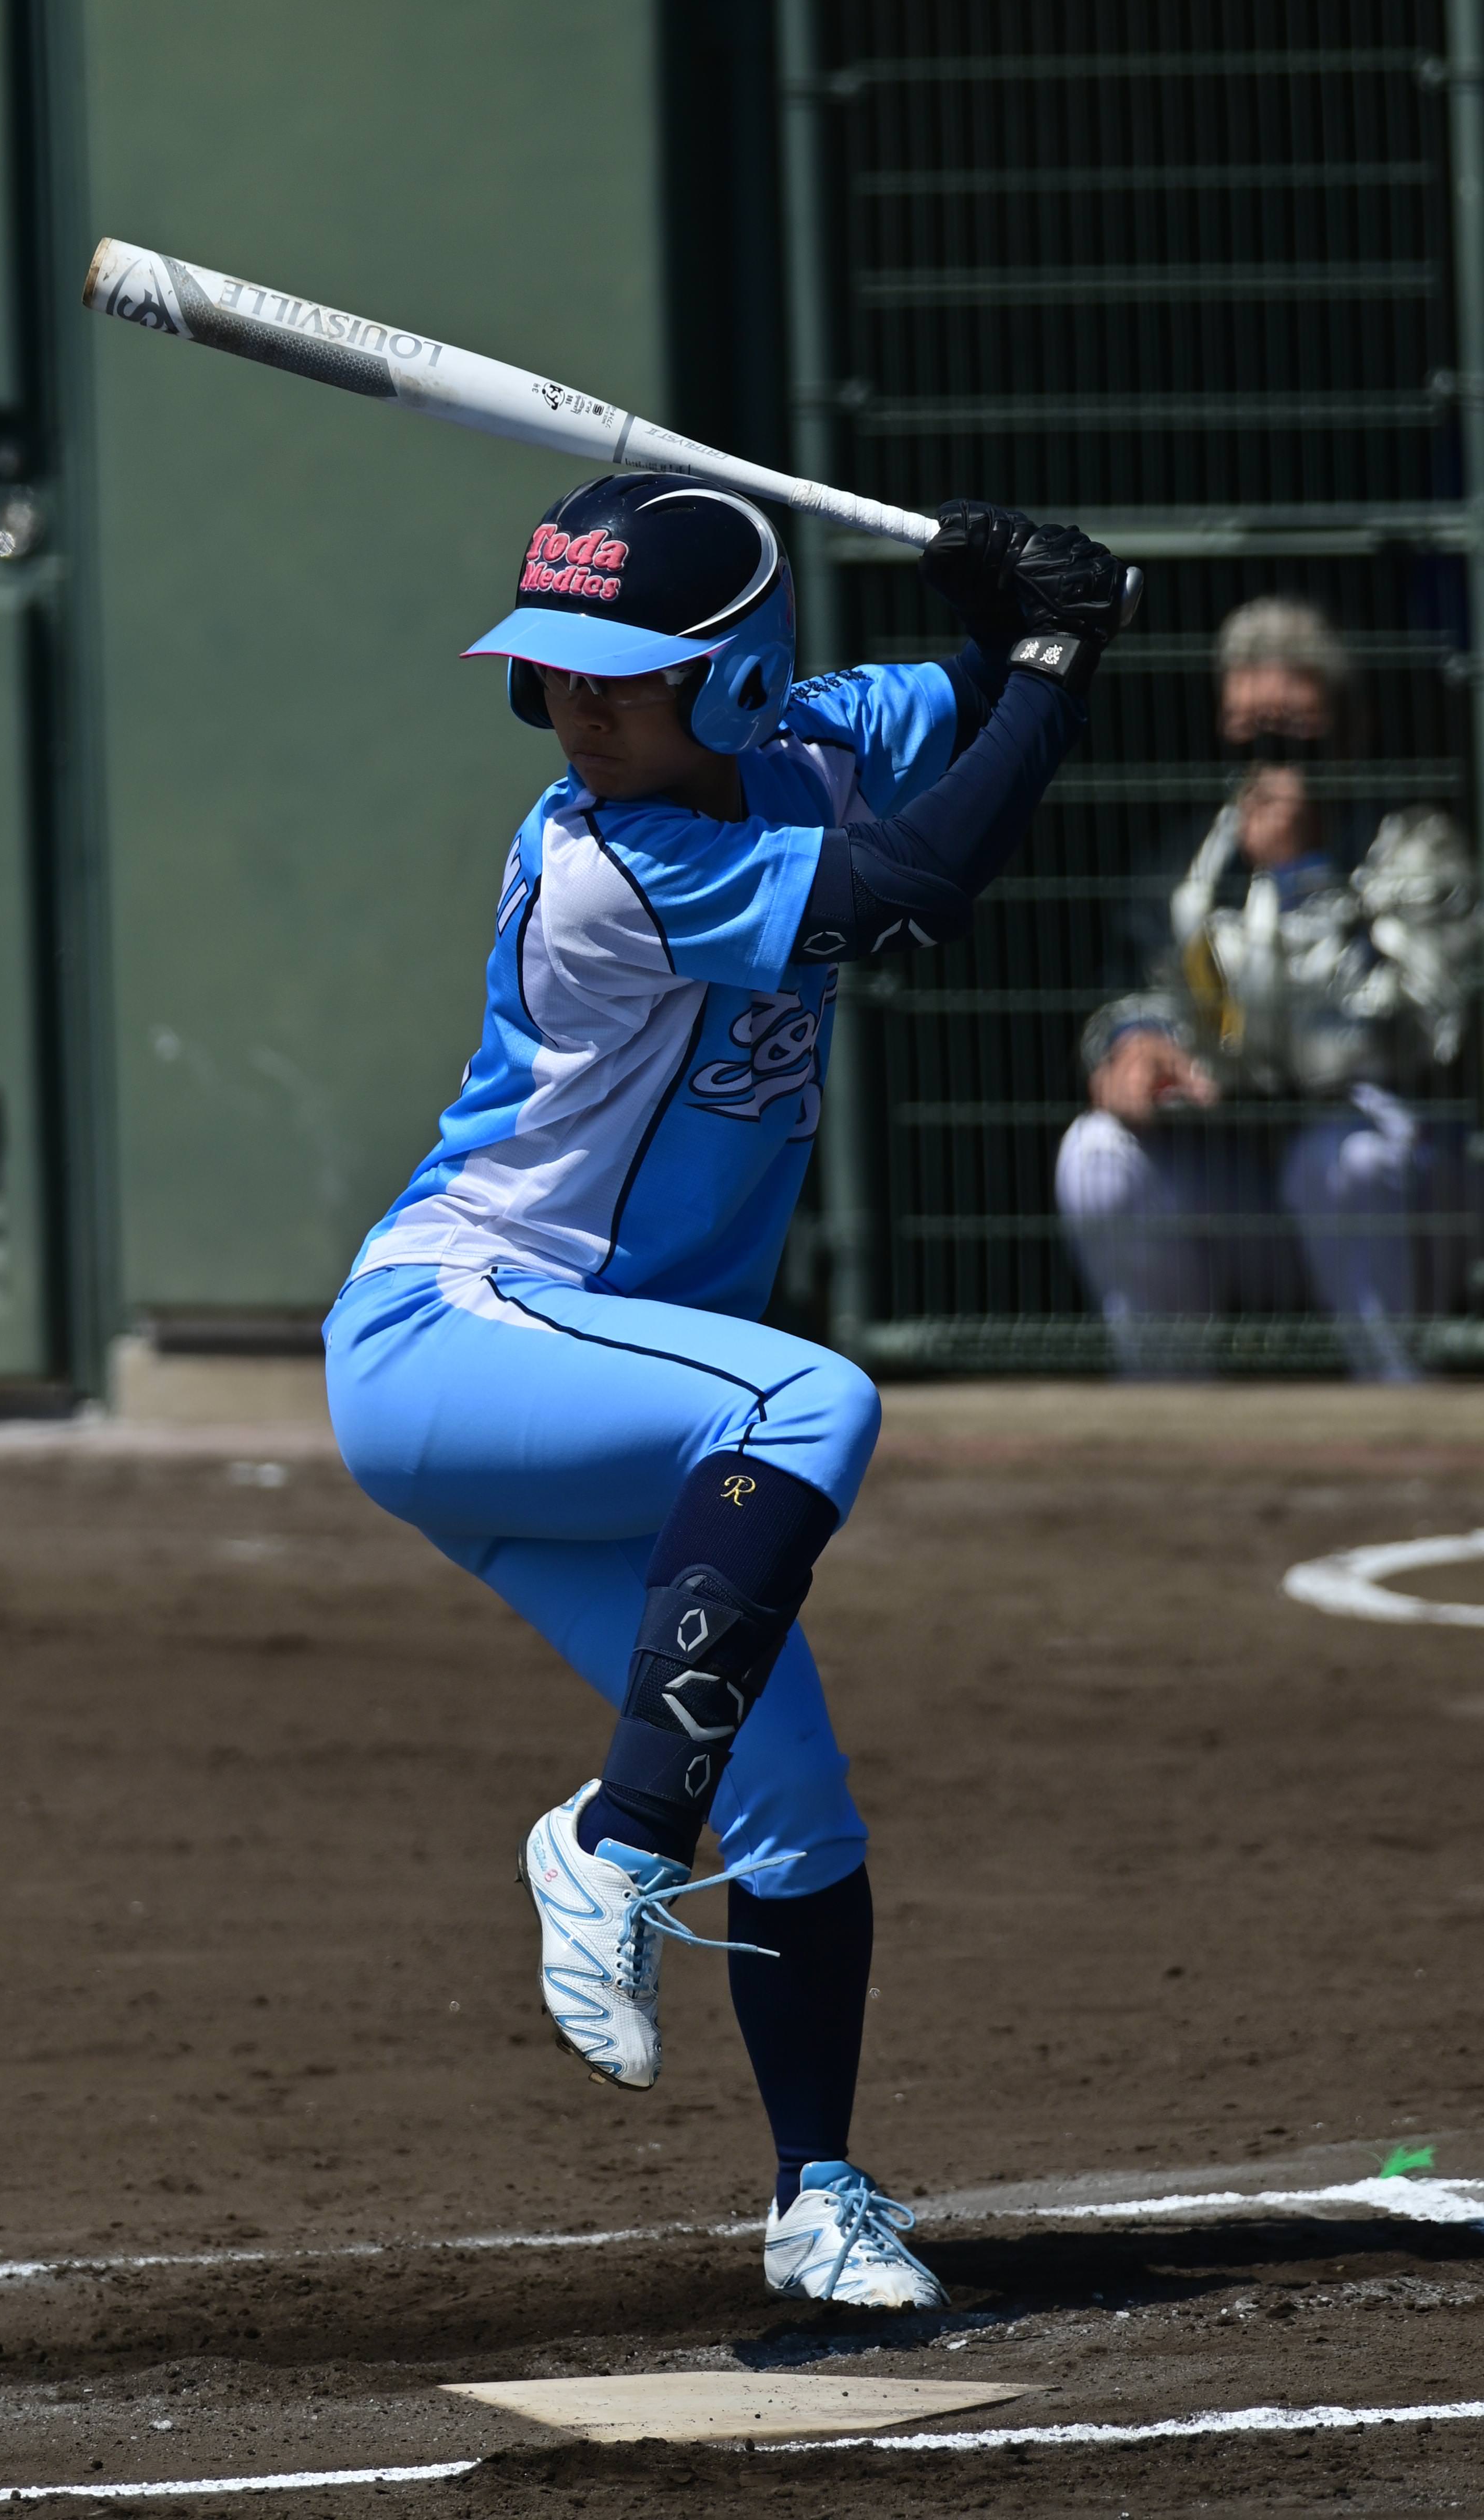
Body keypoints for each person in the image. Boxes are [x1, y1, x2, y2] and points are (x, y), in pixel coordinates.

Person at [325, 481, 1132, 2308]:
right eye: (555, 675)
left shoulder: (822, 734)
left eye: (622, 677)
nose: (579, 709)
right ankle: (611, 1841)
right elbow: (917, 892)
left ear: (744, 680)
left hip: (606, 1408)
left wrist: (1024, 611)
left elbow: (979, 694)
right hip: (459, 1336)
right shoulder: (606, 863)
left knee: (797, 1805)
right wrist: (1056, 655)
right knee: (811, 1404)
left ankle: (816, 2193)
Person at [1056, 599, 1480, 1381]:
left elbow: (1400, 1040)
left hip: (1405, 1195)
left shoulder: (1417, 850)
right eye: (1251, 732)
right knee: (1096, 1151)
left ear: (1350, 730)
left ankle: (1393, 1407)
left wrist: (1300, 877)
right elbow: (1140, 990)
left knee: (1339, 1158)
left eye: (1296, 730)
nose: (1273, 757)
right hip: (1250, 1189)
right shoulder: (1194, 861)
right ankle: (1164, 1412)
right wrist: (1136, 1043)